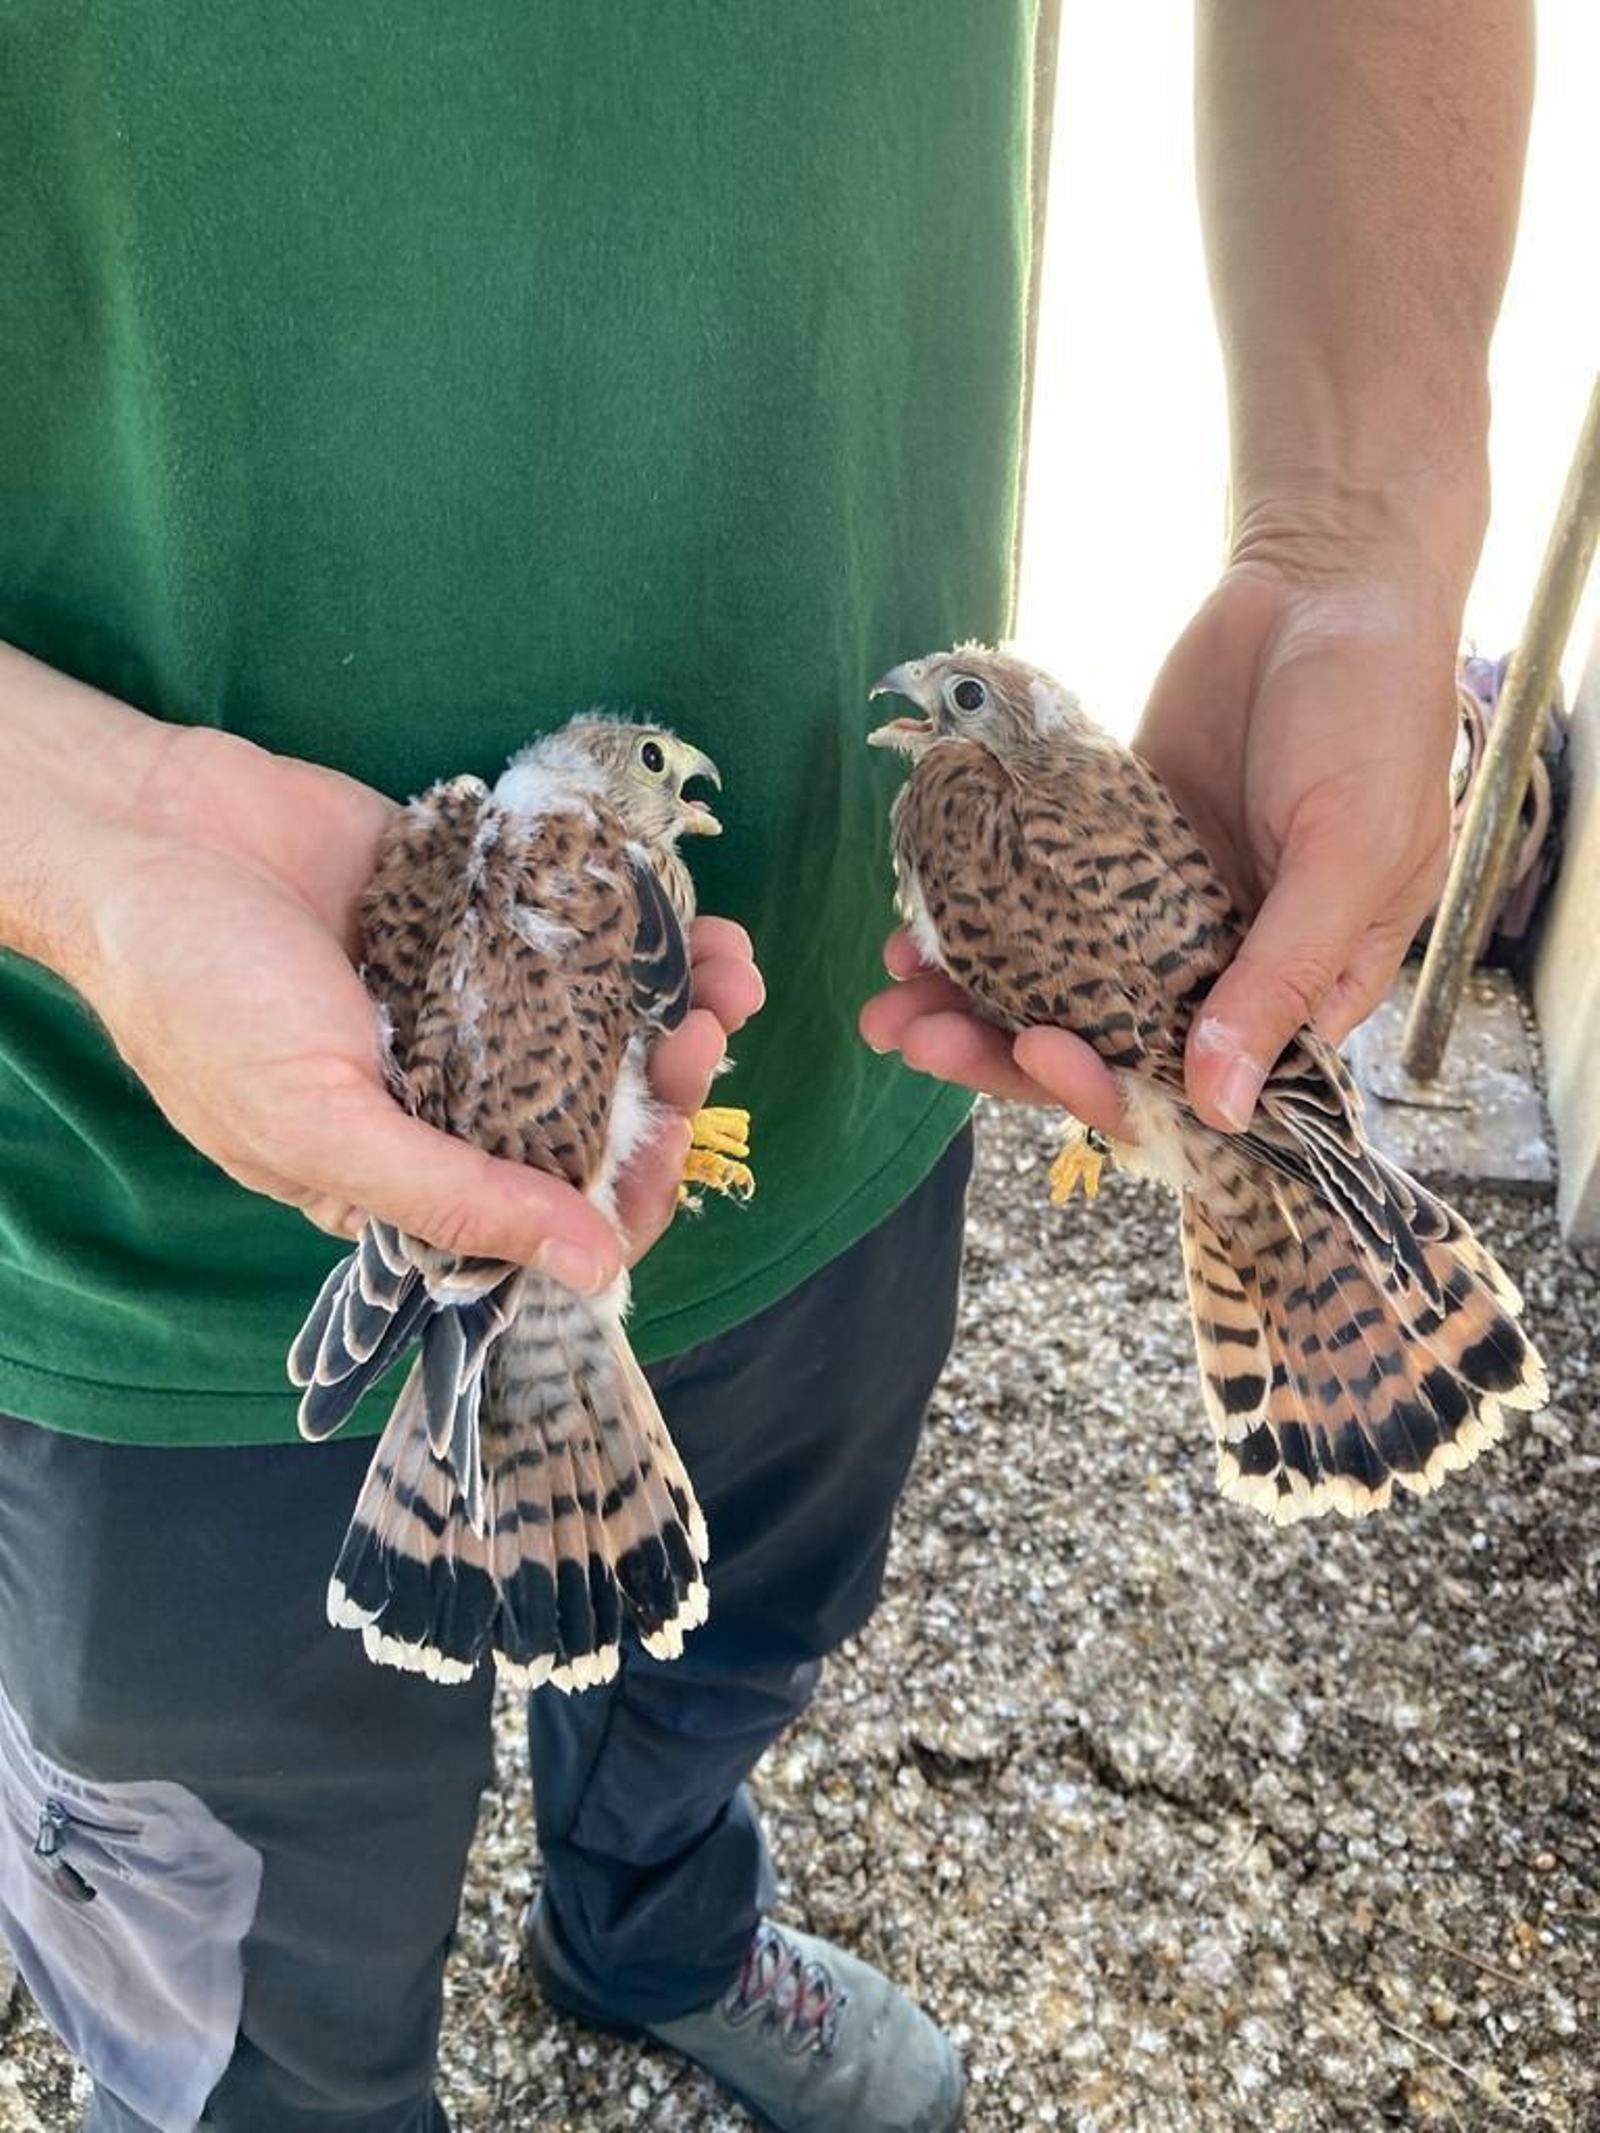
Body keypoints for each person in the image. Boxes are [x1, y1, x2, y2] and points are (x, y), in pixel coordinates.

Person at [0, 5, 1531, 2129]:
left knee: (729, 1655)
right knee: (232, 1982)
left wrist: (1358, 511)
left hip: (828, 1100)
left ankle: (651, 1923)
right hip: (131, 1189)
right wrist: (69, 830)